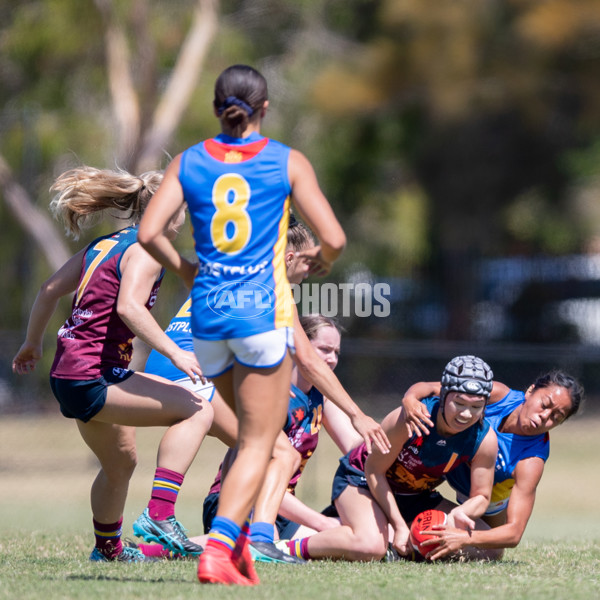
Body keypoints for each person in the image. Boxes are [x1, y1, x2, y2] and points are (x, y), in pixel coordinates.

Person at [137, 64, 347, 585]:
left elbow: (148, 231)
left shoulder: (189, 161)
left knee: (249, 439)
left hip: (208, 318)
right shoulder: (285, 160)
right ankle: (222, 550)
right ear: (265, 108)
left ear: (216, 108)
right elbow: (336, 238)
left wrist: (187, 269)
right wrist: (322, 258)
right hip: (259, 316)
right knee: (263, 441)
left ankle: (228, 545)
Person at [11, 166, 214, 562]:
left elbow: (48, 288)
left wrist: (32, 343)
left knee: (120, 460)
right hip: (93, 375)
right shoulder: (146, 249)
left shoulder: (108, 244)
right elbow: (129, 307)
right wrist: (175, 352)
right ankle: (159, 515)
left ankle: (108, 550)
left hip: (70, 373)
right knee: (197, 409)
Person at [283, 355, 499, 562]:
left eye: (476, 407)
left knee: (490, 549)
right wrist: (399, 526)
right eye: (459, 403)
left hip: (415, 496)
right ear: (444, 395)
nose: (466, 414)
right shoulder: (412, 418)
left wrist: (460, 513)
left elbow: (481, 496)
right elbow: (374, 471)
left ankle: (400, 547)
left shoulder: (484, 439)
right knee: (370, 546)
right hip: (362, 481)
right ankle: (285, 547)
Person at [200, 314, 363, 557]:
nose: (332, 359)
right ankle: (155, 550)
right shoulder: (273, 395)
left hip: (280, 508)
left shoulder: (322, 395)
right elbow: (259, 481)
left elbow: (356, 448)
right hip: (239, 500)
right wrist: (321, 522)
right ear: (299, 345)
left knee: (347, 540)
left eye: (336, 352)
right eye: (324, 350)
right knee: (262, 546)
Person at [400, 368, 584, 560]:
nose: (545, 416)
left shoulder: (531, 460)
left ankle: (409, 545)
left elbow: (513, 533)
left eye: (556, 417)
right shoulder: (498, 396)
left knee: (491, 553)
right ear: (530, 391)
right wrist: (410, 399)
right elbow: (429, 388)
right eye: (545, 404)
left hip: (487, 500)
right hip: (443, 469)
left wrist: (463, 538)